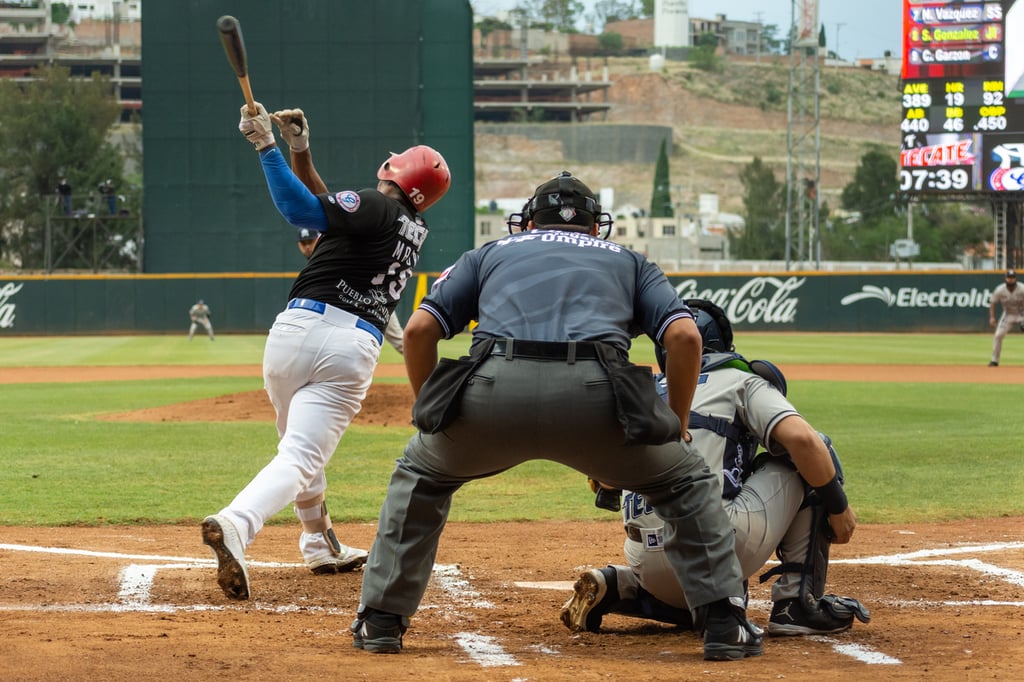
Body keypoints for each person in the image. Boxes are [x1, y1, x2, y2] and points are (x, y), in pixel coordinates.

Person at [350, 171, 762, 662]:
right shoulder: (631, 261)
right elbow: (686, 339)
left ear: (526, 222)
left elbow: (419, 331)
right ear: (594, 226)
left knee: (421, 474)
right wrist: (674, 427)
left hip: (491, 398)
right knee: (684, 481)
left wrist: (430, 414)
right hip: (600, 402)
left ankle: (381, 621)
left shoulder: (490, 252)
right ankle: (722, 624)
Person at [199, 101, 450, 599]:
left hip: (291, 335)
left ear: (394, 170)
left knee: (296, 450)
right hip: (349, 346)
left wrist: (265, 146)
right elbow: (329, 204)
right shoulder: (408, 226)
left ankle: (319, 543)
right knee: (299, 454)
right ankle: (238, 522)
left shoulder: (375, 207)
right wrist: (299, 149)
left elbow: (303, 209)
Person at [561, 299, 869, 637]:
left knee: (729, 593)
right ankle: (798, 603)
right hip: (719, 549)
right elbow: (803, 441)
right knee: (814, 451)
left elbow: (604, 481)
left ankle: (623, 586)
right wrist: (838, 506)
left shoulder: (645, 393)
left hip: (644, 560)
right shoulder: (738, 379)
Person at [988, 268, 1024, 366]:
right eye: (1009, 278)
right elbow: (993, 302)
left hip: (1022, 314)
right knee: (998, 335)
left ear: (1016, 279)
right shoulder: (1000, 289)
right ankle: (994, 360)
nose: (1010, 280)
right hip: (1008, 315)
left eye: (1012, 278)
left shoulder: (1022, 288)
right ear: (1006, 278)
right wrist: (992, 317)